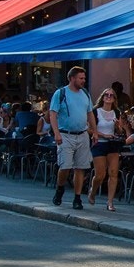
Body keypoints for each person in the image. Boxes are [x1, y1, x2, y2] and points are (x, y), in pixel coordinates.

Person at [49, 66, 96, 210]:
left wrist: (94, 131)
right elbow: (53, 113)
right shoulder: (61, 93)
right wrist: (56, 132)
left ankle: (77, 197)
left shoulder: (85, 94)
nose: (83, 81)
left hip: (82, 134)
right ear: (72, 78)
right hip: (65, 134)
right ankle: (60, 189)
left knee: (80, 168)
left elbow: (90, 113)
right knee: (65, 166)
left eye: (84, 78)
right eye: (80, 78)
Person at [88, 88, 129, 211]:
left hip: (112, 144)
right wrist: (103, 135)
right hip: (99, 143)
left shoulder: (116, 112)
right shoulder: (96, 112)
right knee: (100, 174)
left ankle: (110, 202)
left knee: (113, 173)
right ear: (103, 97)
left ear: (114, 99)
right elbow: (89, 129)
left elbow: (120, 131)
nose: (109, 96)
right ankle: (93, 191)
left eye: (111, 95)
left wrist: (118, 127)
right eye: (106, 94)